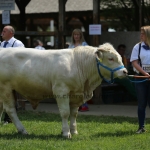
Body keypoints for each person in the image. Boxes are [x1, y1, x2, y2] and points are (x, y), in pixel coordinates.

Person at [0, 25, 25, 125]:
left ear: (11, 33)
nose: (2, 33)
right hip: (3, 75)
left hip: (13, 74)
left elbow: (22, 57)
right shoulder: (2, 44)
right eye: (2, 31)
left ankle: (8, 118)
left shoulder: (17, 44)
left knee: (11, 96)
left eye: (4, 31)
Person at [130, 25, 150, 134]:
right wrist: (145, 74)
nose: (141, 35)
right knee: (141, 103)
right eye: (140, 33)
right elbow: (134, 62)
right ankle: (141, 127)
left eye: (143, 33)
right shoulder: (137, 47)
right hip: (140, 78)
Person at [68, 28, 89, 112]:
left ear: (81, 36)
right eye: (75, 35)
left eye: (78, 35)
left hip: (82, 69)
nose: (76, 36)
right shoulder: (71, 45)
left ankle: (84, 105)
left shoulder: (84, 45)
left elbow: (88, 56)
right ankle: (77, 105)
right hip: (72, 69)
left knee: (82, 87)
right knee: (74, 88)